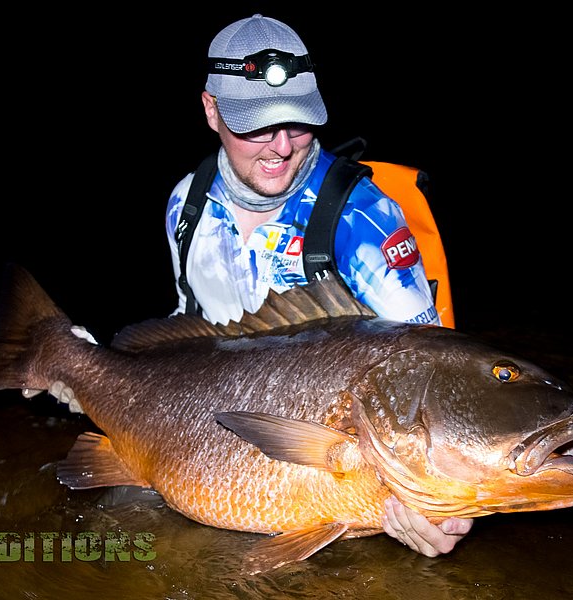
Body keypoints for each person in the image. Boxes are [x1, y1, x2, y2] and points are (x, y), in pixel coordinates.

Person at [164, 13, 473, 557]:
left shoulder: (364, 221)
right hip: (207, 438)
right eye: (255, 126)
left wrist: (440, 498)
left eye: (298, 124)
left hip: (325, 467)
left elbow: (427, 375)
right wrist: (94, 368)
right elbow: (186, 327)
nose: (281, 147)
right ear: (211, 110)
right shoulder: (186, 205)